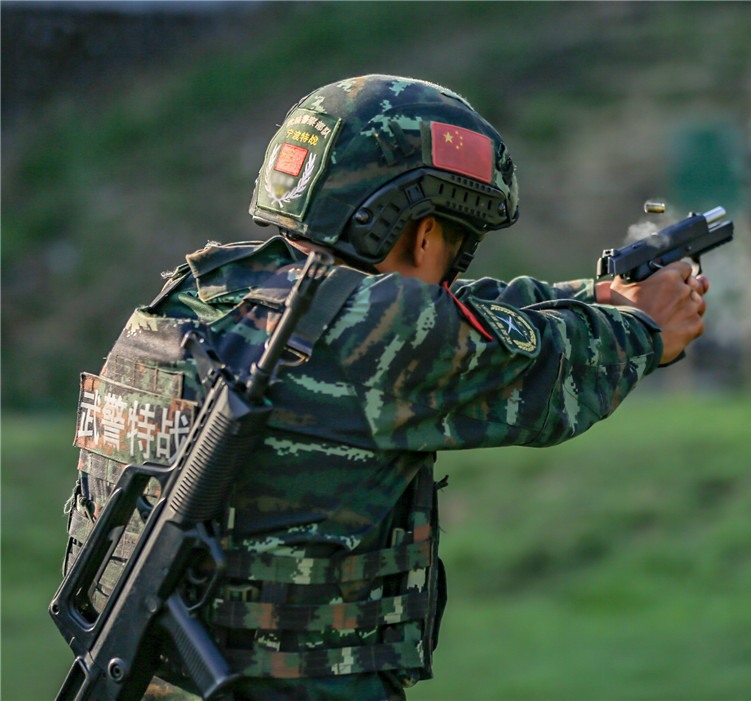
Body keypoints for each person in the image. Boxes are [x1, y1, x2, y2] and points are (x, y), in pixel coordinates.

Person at [61, 74, 708, 700]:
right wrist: (647, 329)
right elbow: (545, 370)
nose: (451, 268)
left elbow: (457, 319)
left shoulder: (193, 298)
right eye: (456, 245)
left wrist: (596, 293)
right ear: (424, 233)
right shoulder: (384, 330)